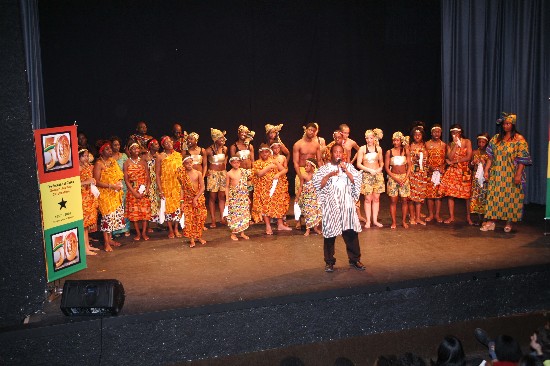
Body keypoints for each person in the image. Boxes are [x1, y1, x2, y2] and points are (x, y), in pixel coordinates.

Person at [312, 144, 365, 272]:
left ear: (343, 154)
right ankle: (329, 262)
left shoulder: (349, 167)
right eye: (335, 152)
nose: (338, 154)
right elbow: (319, 185)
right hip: (332, 205)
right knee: (330, 234)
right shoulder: (325, 169)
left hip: (346, 205)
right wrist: (329, 175)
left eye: (340, 152)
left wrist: (346, 171)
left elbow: (356, 181)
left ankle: (355, 260)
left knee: (351, 232)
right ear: (331, 153)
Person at [482, 113, 532, 233]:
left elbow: (523, 159)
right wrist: (486, 170)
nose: (505, 126)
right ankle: (492, 221)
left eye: (508, 123)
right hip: (497, 173)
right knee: (494, 197)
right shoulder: (496, 138)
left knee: (510, 198)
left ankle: (509, 222)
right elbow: (490, 157)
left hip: (511, 173)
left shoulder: (519, 139)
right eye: (504, 124)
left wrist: (518, 174)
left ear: (513, 125)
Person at [93, 140, 126, 251]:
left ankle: (110, 239)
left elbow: (119, 175)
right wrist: (111, 186)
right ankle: (106, 243)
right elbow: (96, 181)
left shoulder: (113, 161)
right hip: (105, 195)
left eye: (110, 148)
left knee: (113, 218)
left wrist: (118, 183)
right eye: (107, 149)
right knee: (107, 218)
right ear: (101, 152)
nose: (110, 150)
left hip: (115, 194)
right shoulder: (99, 164)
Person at [252, 144, 291, 234]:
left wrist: (278, 174)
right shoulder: (257, 163)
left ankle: (280, 224)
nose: (265, 154)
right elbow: (259, 174)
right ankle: (268, 226)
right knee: (265, 206)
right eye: (262, 152)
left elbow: (285, 170)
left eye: (266, 152)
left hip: (275, 187)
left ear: (269, 152)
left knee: (278, 204)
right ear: (260, 153)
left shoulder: (274, 161)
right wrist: (269, 167)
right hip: (263, 188)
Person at [438, 124, 473, 224]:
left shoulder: (467, 142)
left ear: (460, 132)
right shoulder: (449, 144)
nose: (455, 134)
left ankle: (468, 217)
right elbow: (450, 157)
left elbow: (468, 157)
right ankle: (451, 216)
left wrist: (454, 162)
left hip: (464, 170)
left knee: (467, 195)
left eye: (456, 132)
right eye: (453, 133)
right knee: (450, 194)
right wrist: (455, 145)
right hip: (453, 171)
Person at [356, 129, 385, 228]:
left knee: (376, 198)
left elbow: (381, 162)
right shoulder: (362, 149)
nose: (369, 140)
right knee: (368, 199)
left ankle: (375, 220)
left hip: (377, 175)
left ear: (374, 138)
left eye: (371, 138)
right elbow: (359, 164)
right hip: (367, 176)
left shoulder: (379, 149)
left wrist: (380, 168)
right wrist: (368, 170)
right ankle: (368, 221)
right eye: (367, 138)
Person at [155, 135, 183, 238]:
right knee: (167, 207)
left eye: (170, 141)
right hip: (166, 185)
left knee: (177, 207)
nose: (169, 143)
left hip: (176, 184)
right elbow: (157, 174)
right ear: (163, 145)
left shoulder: (178, 155)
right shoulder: (160, 156)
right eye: (166, 143)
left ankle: (176, 229)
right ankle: (170, 229)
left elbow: (181, 171)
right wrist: (160, 189)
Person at [123, 142, 151, 241]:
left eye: (137, 148)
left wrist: (146, 190)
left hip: (143, 190)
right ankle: (138, 233)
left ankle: (143, 233)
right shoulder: (126, 163)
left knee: (145, 213)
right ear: (130, 150)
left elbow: (148, 177)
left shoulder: (143, 162)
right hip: (133, 191)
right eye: (134, 149)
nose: (136, 150)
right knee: (134, 214)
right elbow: (126, 180)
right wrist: (134, 192)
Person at [178, 156, 207, 247]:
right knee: (189, 219)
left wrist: (196, 198)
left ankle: (199, 237)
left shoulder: (198, 173)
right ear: (183, 165)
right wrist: (181, 202)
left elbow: (202, 187)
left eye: (190, 162)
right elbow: (182, 189)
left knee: (199, 218)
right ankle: (192, 239)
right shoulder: (182, 175)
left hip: (198, 198)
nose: (189, 164)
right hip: (187, 199)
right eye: (187, 163)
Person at [385, 132, 411, 229]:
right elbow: (387, 168)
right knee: (393, 201)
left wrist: (405, 178)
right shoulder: (389, 152)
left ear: (401, 141)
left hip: (404, 178)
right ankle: (394, 222)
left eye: (397, 140)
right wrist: (395, 178)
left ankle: (404, 221)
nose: (395, 142)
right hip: (393, 178)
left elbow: (409, 165)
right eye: (394, 140)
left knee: (404, 200)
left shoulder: (405, 151)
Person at [205, 128, 228, 228]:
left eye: (223, 138)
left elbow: (225, 159)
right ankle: (213, 219)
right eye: (221, 138)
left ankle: (222, 218)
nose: (223, 140)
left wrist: (225, 170)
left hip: (222, 174)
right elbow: (205, 164)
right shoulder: (209, 150)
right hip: (213, 174)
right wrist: (206, 173)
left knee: (222, 196)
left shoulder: (225, 149)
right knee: (212, 197)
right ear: (215, 139)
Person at [79, 148, 99, 255]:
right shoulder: (77, 168)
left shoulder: (87, 166)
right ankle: (84, 249)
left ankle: (87, 246)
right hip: (82, 196)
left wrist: (92, 181)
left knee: (87, 224)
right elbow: (75, 183)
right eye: (83, 156)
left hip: (89, 195)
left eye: (87, 156)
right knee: (83, 224)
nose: (86, 158)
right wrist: (87, 181)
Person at [293, 122, 322, 196]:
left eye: (313, 131)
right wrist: (300, 176)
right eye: (310, 130)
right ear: (306, 130)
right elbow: (295, 163)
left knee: (315, 194)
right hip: (302, 169)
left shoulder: (316, 145)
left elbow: (319, 161)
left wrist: (322, 172)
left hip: (314, 170)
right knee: (301, 195)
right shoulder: (298, 144)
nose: (311, 132)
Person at [225, 157, 251, 240]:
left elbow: (246, 184)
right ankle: (233, 233)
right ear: (231, 163)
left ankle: (242, 233)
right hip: (234, 197)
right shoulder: (229, 173)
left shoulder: (243, 171)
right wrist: (227, 199)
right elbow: (227, 187)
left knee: (243, 214)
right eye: (234, 162)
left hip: (243, 196)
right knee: (235, 215)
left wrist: (247, 197)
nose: (236, 164)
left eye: (238, 162)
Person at [425, 124, 446, 223]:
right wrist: (430, 167)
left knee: (438, 195)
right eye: (434, 131)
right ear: (431, 133)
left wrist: (443, 167)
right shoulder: (427, 144)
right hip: (430, 172)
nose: (436, 133)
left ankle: (437, 215)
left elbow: (447, 159)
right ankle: (431, 214)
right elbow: (424, 159)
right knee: (429, 194)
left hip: (440, 173)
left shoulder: (444, 145)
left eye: (438, 131)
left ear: (441, 133)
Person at [407, 124, 428, 226]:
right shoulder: (409, 146)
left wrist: (421, 158)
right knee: (411, 197)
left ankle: (418, 217)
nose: (417, 136)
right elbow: (406, 159)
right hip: (412, 173)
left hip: (421, 174)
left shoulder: (424, 146)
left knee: (419, 198)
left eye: (419, 135)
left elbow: (426, 159)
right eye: (415, 135)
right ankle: (412, 217)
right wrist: (413, 159)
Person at [295, 158, 322, 236]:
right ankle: (308, 229)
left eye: (307, 166)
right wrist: (297, 197)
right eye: (305, 166)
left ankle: (316, 228)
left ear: (313, 167)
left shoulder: (316, 176)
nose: (305, 167)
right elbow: (300, 187)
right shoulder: (303, 176)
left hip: (315, 197)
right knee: (308, 213)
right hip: (306, 198)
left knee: (315, 212)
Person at [110, 136, 130, 237]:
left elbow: (128, 169)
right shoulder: (109, 158)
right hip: (114, 187)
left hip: (124, 185)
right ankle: (116, 230)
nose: (117, 147)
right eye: (114, 145)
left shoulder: (124, 156)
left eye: (118, 145)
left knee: (125, 207)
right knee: (116, 208)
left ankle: (125, 228)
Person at [468, 133, 490, 226]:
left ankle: (485, 218)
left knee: (484, 198)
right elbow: (470, 166)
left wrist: (484, 163)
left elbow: (491, 167)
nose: (481, 144)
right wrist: (473, 162)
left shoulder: (489, 154)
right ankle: (479, 218)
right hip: (476, 179)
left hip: (485, 180)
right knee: (476, 198)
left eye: (483, 142)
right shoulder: (474, 152)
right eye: (479, 142)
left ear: (487, 143)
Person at [143, 138, 161, 227]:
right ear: (150, 146)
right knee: (150, 202)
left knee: (158, 201)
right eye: (156, 144)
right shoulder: (145, 157)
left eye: (158, 144)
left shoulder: (159, 156)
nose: (158, 146)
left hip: (158, 181)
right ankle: (149, 224)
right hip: (149, 181)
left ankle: (159, 222)